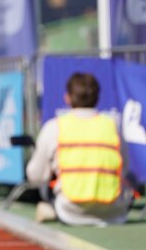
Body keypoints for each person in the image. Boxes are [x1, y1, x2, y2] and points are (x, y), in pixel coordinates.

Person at [26, 72, 134, 226]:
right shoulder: (112, 126)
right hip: (113, 211)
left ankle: (50, 209)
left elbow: (35, 175)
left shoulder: (55, 126)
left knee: (47, 181)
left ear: (67, 98)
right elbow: (124, 169)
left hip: (70, 211)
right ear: (97, 98)